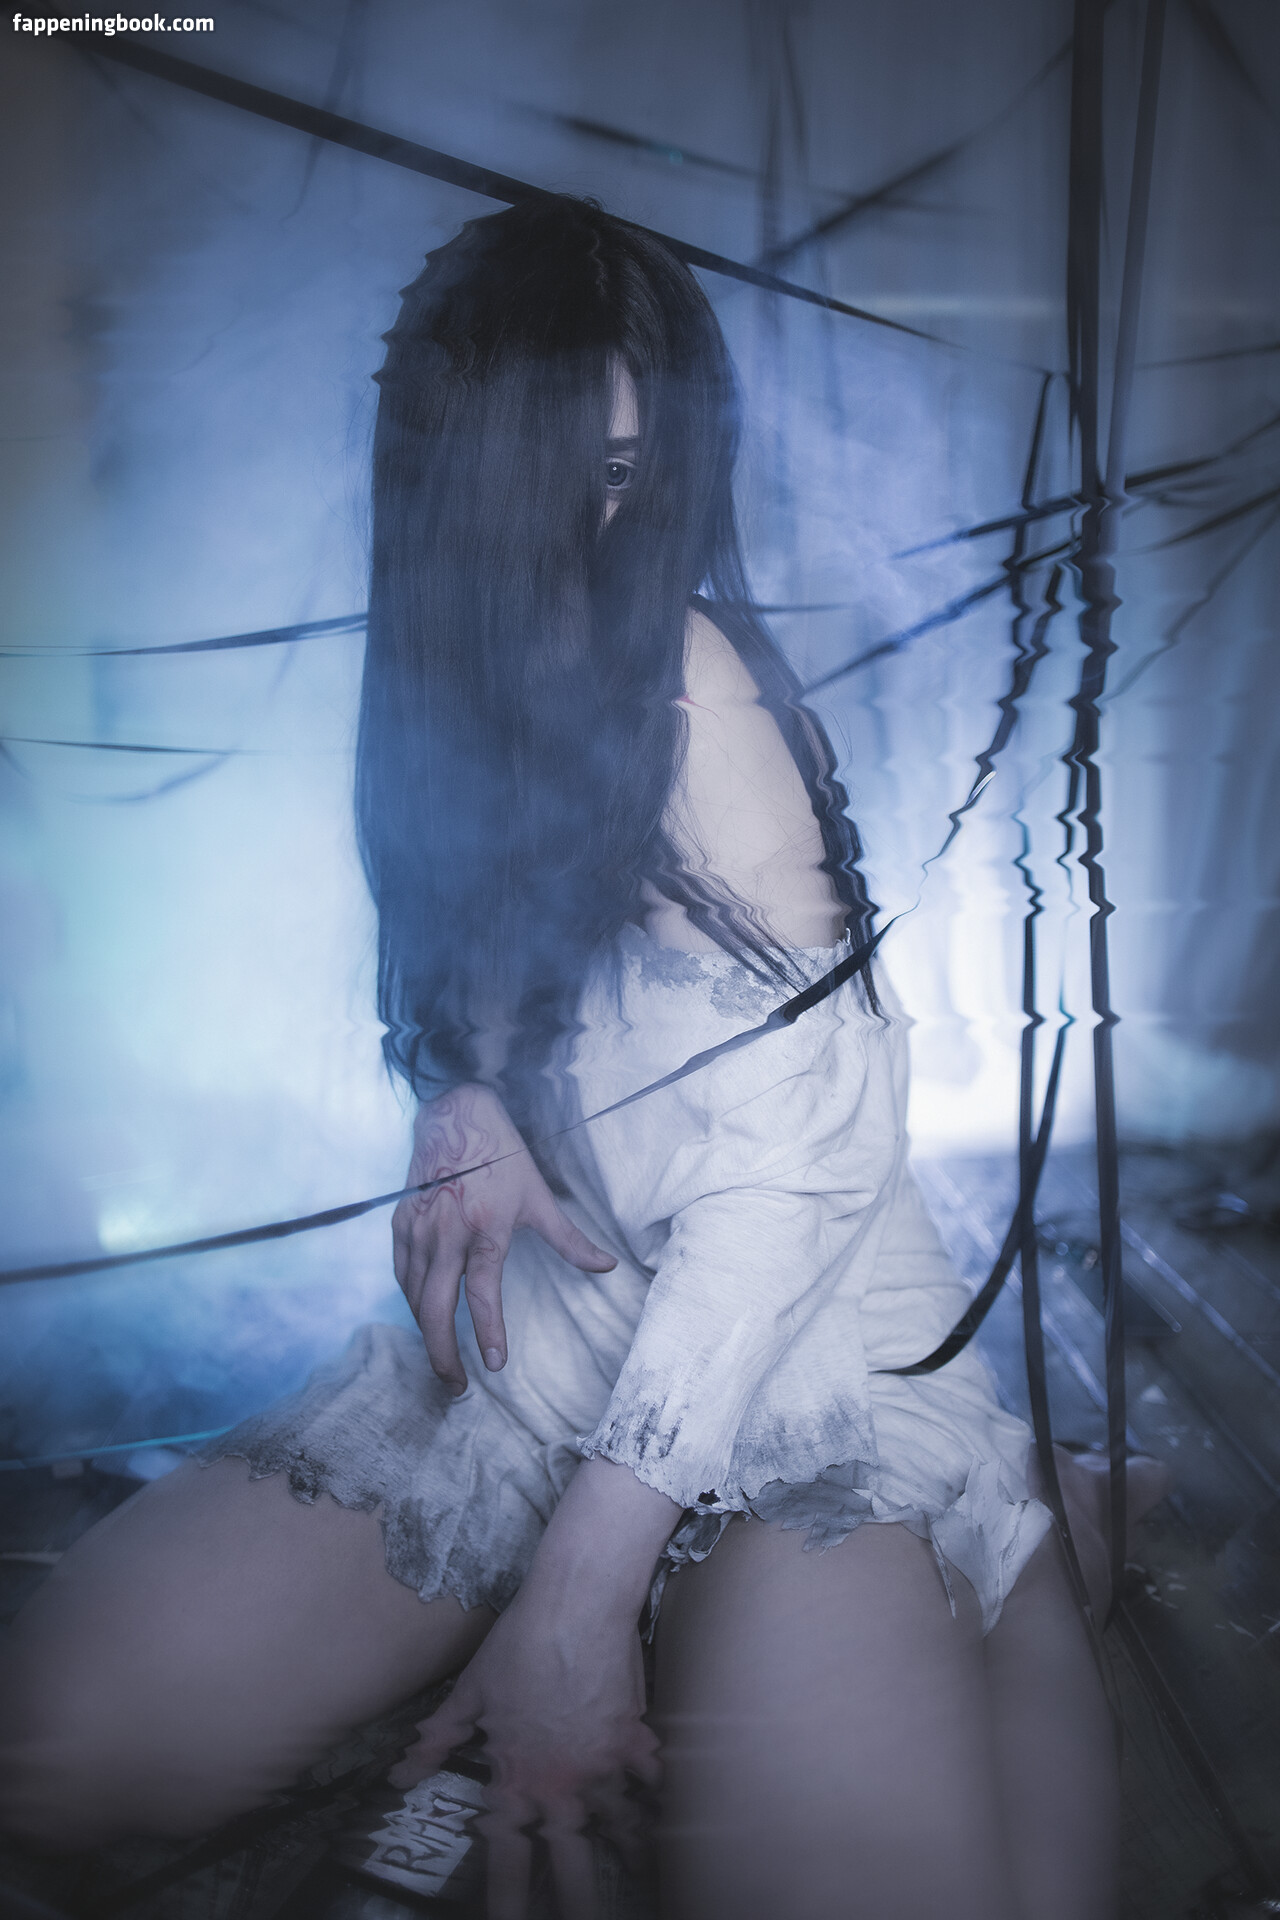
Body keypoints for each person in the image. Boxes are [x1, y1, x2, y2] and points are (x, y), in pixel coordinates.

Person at [0, 197, 1164, 1920]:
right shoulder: (437, 672)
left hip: (789, 1354)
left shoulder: (690, 679)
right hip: (535, 1349)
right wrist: (460, 1096)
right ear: (446, 471)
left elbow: (807, 1153)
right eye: (546, 474)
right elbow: (468, 978)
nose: (598, 526)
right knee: (53, 1748)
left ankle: (1027, 1536)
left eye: (630, 472)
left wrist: (577, 1594)